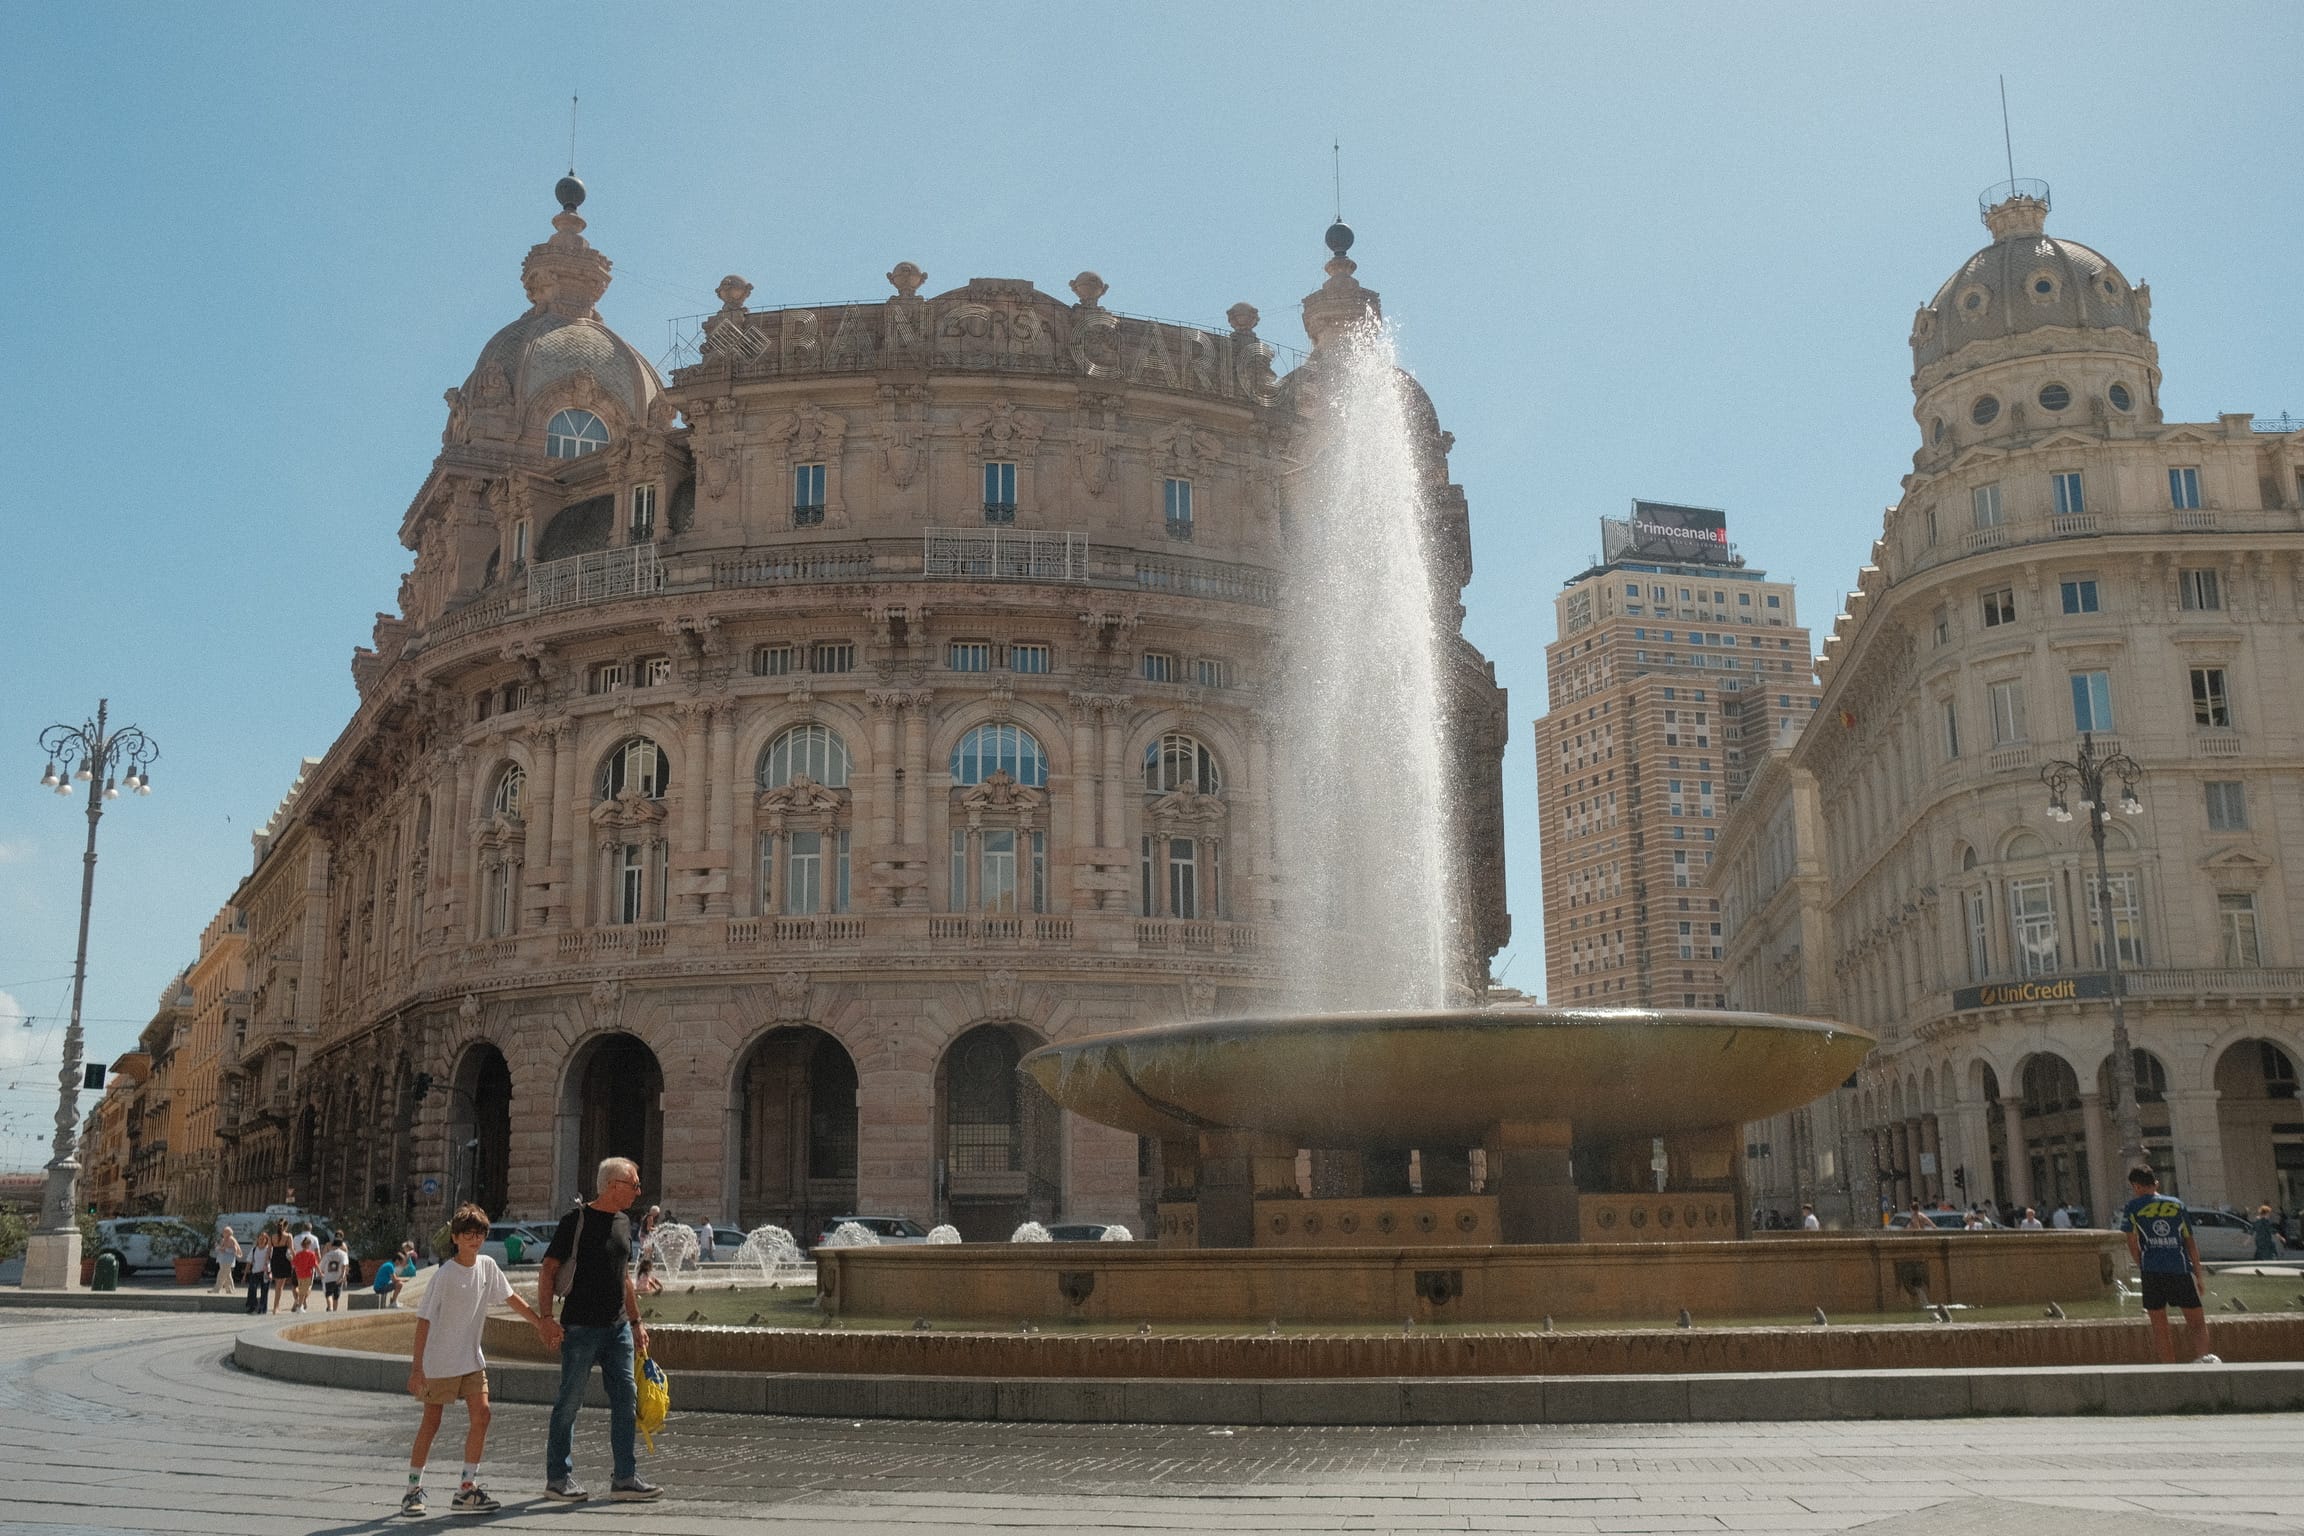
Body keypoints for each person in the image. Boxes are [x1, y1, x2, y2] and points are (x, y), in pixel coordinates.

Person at [402, 1203, 561, 1517]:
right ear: (456, 1238)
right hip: (440, 1362)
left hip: (472, 1360)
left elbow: (510, 1297)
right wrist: (417, 1367)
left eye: (480, 1234)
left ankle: (466, 1488)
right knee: (431, 1424)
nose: (475, 1240)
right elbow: (424, 1321)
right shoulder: (445, 1275)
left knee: (483, 1415)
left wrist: (539, 1322)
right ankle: (412, 1490)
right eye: (469, 1235)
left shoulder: (487, 1266)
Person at [537, 1157, 664, 1504]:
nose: (638, 1191)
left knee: (626, 1400)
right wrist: (546, 1318)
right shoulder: (574, 1221)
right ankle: (558, 1478)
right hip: (579, 1327)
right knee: (569, 1402)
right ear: (612, 1185)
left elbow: (624, 1277)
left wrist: (636, 1323)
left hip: (618, 1328)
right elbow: (549, 1269)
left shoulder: (624, 1222)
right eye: (634, 1184)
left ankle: (624, 1477)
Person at [2120, 1165, 2214, 1365]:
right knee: (2197, 1323)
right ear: (2156, 1183)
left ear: (2135, 1186)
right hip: (2179, 1269)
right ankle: (2206, 1364)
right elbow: (2190, 1242)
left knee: (2160, 1328)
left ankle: (2169, 1370)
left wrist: (2143, 1265)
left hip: (2152, 1272)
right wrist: (2198, 1275)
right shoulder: (2177, 1205)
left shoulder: (2133, 1207)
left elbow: (2132, 1244)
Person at [289, 1225, 321, 1313]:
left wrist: (293, 1264)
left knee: (295, 1285)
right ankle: (301, 1301)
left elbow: (292, 1251)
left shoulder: (296, 1237)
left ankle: (297, 1300)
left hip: (298, 1268)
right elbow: (318, 1253)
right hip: (308, 1269)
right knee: (308, 1286)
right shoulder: (314, 1238)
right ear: (311, 1229)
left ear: (302, 1228)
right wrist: (320, 1267)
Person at [268, 1222, 296, 1314]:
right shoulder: (288, 1236)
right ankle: (275, 1307)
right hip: (284, 1261)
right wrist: (296, 1260)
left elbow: (269, 1251)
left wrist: (267, 1262)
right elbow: (291, 1250)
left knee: (278, 1285)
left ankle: (277, 1306)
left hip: (275, 1260)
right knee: (280, 1287)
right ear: (286, 1227)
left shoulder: (272, 1237)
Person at [243, 1226, 272, 1313]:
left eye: (264, 1238)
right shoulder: (254, 1250)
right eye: (260, 1238)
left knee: (264, 1291)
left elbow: (272, 1261)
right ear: (258, 1239)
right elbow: (249, 1262)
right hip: (255, 1272)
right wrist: (244, 1275)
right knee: (252, 1288)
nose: (262, 1240)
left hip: (265, 1273)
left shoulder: (269, 1250)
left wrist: (271, 1272)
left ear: (266, 1240)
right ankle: (252, 1306)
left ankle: (262, 1308)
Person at [211, 1224, 242, 1295]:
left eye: (225, 1231)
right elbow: (219, 1248)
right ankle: (230, 1290)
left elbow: (234, 1250)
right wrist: (218, 1248)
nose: (223, 1233)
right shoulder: (223, 1239)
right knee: (227, 1275)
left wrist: (225, 1249)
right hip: (222, 1260)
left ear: (229, 1233)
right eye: (224, 1231)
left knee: (221, 1274)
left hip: (228, 1261)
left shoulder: (232, 1240)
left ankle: (216, 1289)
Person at [320, 1237, 350, 1312]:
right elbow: (344, 1266)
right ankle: (335, 1311)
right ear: (340, 1245)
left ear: (332, 1245)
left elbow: (322, 1266)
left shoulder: (327, 1255)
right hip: (338, 1278)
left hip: (328, 1278)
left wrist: (321, 1274)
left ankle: (330, 1308)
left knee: (329, 1294)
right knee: (336, 1297)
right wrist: (342, 1277)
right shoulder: (343, 1254)